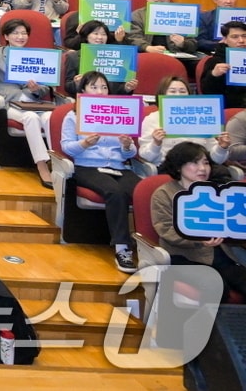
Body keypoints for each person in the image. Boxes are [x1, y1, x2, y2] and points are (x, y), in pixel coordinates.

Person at [60, 72, 140, 273]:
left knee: (142, 191)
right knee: (114, 192)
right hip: (88, 166)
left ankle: (150, 244)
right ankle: (123, 249)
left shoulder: (119, 114)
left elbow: (130, 153)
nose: (100, 91)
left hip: (119, 166)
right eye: (94, 87)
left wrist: (127, 145)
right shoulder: (73, 116)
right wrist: (84, 143)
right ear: (83, 90)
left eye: (104, 87)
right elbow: (67, 148)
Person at [150, 141, 246, 298]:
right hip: (183, 257)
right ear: (178, 167)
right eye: (194, 163)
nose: (202, 168)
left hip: (221, 255)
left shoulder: (216, 192)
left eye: (206, 163)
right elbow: (167, 230)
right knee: (218, 288)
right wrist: (199, 240)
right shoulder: (164, 194)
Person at [0, 19, 55, 187]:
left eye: (24, 33)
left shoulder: (35, 55)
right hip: (9, 103)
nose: (20, 37)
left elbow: (45, 89)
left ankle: (57, 163)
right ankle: (42, 166)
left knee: (50, 118)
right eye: (16, 33)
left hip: (34, 103)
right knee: (30, 118)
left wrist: (36, 89)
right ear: (6, 36)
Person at [138, 77, 232, 180]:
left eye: (182, 91)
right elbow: (147, 157)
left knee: (222, 173)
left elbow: (217, 160)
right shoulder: (152, 119)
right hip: (171, 168)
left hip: (201, 166)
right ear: (162, 94)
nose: (178, 95)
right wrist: (156, 144)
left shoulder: (201, 117)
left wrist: (222, 148)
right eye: (172, 91)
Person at [126, 0, 199, 56]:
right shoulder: (136, 15)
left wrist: (183, 44)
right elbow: (132, 38)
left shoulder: (182, 15)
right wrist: (147, 47)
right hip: (147, 54)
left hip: (177, 56)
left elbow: (193, 44)